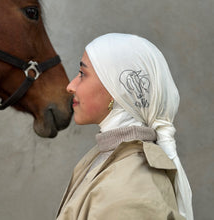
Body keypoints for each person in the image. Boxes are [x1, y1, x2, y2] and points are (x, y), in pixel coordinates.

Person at [56, 33, 193, 220]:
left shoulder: (130, 188)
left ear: (116, 91)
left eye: (82, 74)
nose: (71, 86)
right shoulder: (107, 157)